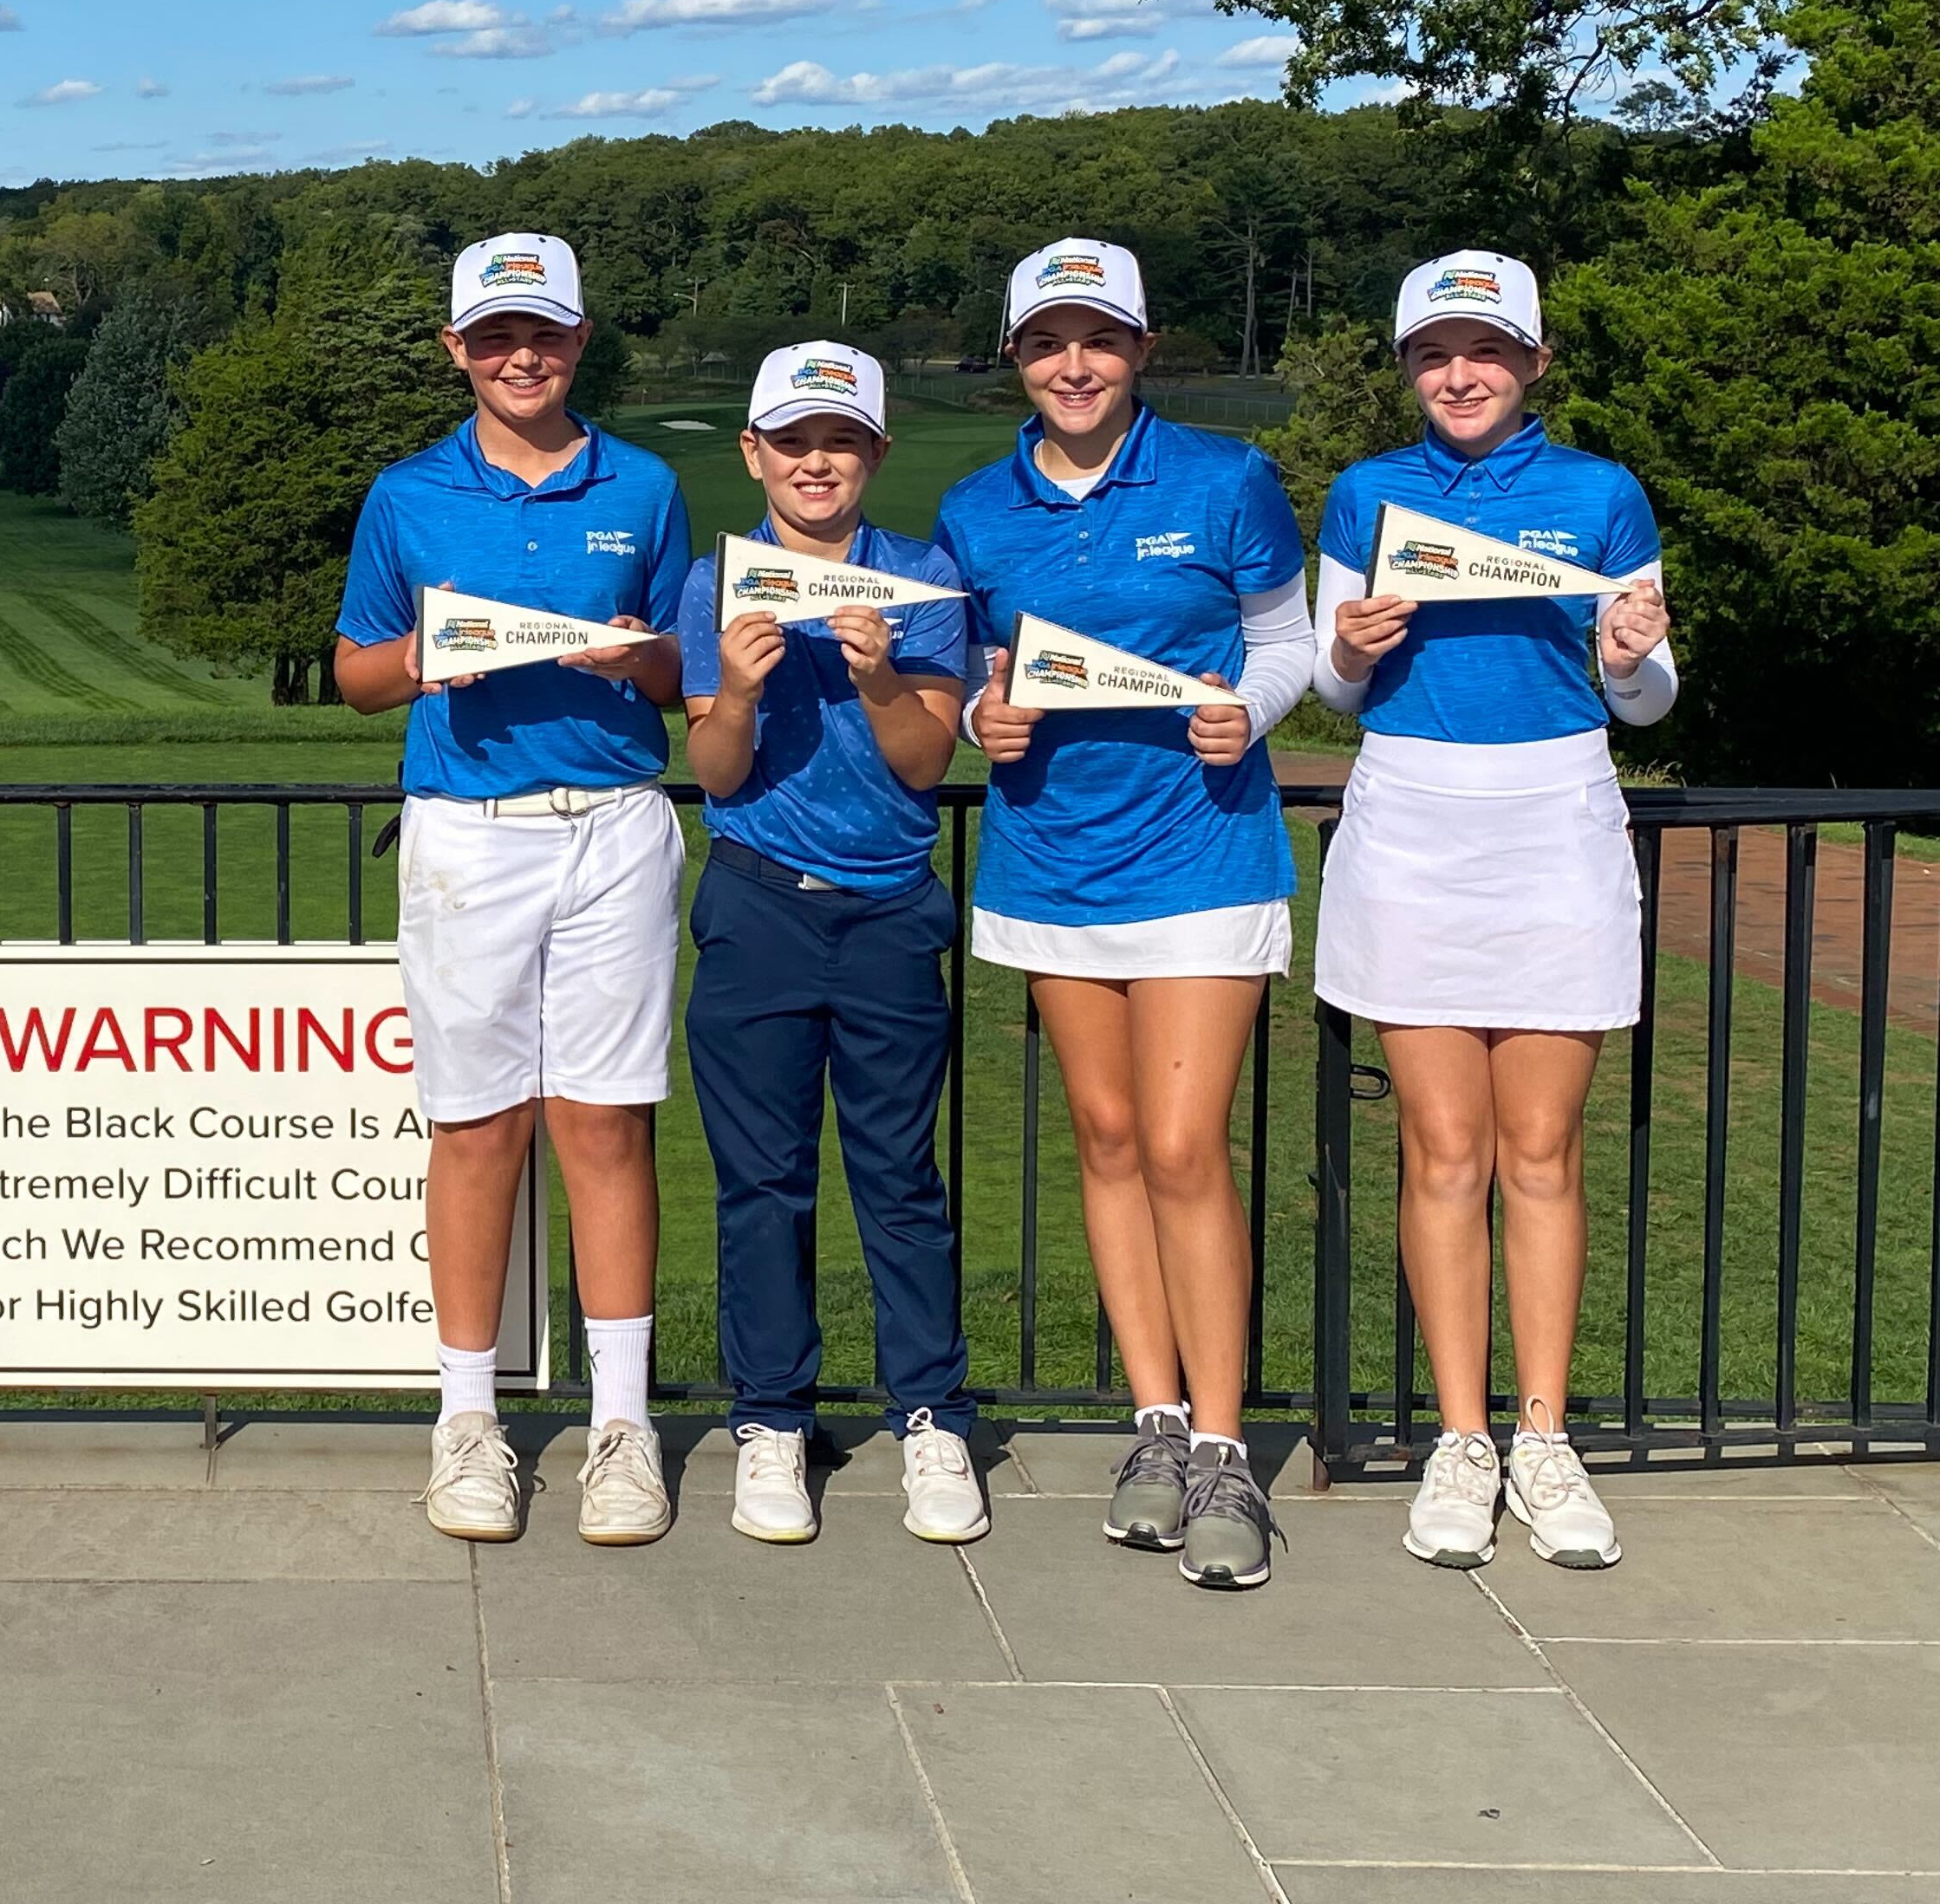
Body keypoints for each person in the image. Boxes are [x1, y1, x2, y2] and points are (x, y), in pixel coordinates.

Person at [935, 239, 1315, 1590]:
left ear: (1142, 349)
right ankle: (1153, 1425)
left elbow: (1290, 640)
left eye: (1097, 339)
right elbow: (977, 683)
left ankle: (1224, 1445)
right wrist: (990, 716)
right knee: (1103, 1138)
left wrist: (1251, 710)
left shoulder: (1226, 479)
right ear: (1018, 362)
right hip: (1051, 864)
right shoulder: (978, 510)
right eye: (1047, 343)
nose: (1073, 365)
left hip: (1207, 855)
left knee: (1179, 1143)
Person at [1315, 251, 1673, 1574]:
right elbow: (1340, 691)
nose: (1457, 375)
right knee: (1442, 1154)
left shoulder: (1600, 491)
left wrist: (1630, 664)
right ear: (1409, 366)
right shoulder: (1367, 491)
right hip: (1409, 815)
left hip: (1554, 819)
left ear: (1531, 361)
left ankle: (1542, 1436)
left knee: (1541, 1155)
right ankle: (1462, 1441)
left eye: (1484, 351)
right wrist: (1352, 646)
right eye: (1433, 354)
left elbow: (1644, 692)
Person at [332, 233, 691, 1547]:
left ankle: (621, 1429)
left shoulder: (644, 486)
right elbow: (356, 671)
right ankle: (468, 1421)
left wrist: (628, 657)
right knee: (477, 1126)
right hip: (469, 832)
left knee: (604, 1125)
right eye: (493, 336)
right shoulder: (407, 493)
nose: (519, 355)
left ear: (581, 340)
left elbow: (675, 671)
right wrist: (428, 658)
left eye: (541, 333)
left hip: (613, 822)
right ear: (457, 350)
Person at [679, 343, 983, 1548]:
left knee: (899, 1177)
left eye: (841, 442)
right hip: (757, 900)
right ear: (753, 454)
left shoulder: (920, 578)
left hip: (890, 904)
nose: (817, 462)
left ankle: (932, 1415)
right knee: (763, 1182)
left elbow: (924, 762)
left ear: (874, 456)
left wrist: (877, 682)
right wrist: (742, 696)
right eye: (793, 441)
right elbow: (714, 772)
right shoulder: (721, 587)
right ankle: (770, 1420)